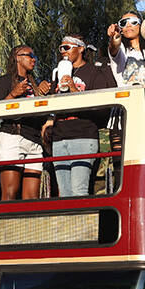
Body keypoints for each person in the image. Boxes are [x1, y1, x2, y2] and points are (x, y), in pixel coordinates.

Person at [41, 36, 116, 197]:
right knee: (64, 192)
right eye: (61, 48)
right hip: (59, 135)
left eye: (67, 47)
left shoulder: (95, 73)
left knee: (79, 190)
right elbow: (53, 105)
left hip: (83, 134)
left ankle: (84, 222)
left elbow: (102, 107)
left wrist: (74, 89)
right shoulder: (58, 72)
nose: (63, 52)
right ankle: (68, 222)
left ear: (81, 48)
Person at [0, 45, 51, 200]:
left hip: (34, 140)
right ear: (17, 57)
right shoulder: (4, 81)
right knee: (10, 193)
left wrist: (45, 95)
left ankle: (29, 224)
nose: (34, 59)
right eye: (30, 55)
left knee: (31, 197)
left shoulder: (35, 84)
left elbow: (43, 115)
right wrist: (13, 94)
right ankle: (6, 224)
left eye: (34, 56)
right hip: (13, 136)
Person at [106, 11, 145, 86]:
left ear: (141, 25)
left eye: (133, 21)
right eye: (123, 23)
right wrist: (114, 38)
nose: (128, 25)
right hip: (127, 96)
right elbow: (113, 48)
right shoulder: (121, 49)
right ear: (121, 29)